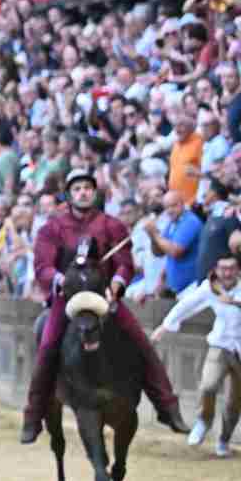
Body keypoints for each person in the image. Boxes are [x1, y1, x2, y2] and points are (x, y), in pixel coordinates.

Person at [20, 169, 189, 443]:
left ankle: (167, 407)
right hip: (67, 301)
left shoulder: (112, 225)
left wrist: (119, 282)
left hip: (104, 298)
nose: (83, 192)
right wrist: (63, 280)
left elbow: (125, 263)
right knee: (48, 346)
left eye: (87, 187)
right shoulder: (51, 228)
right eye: (77, 189)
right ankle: (33, 415)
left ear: (95, 192)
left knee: (140, 341)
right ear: (69, 194)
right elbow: (42, 267)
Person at [152, 252, 241, 458]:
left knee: (233, 402)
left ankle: (224, 441)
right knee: (208, 385)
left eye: (231, 269)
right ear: (217, 271)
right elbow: (187, 305)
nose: (227, 273)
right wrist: (165, 326)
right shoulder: (209, 288)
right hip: (220, 345)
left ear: (238, 271)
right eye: (223, 268)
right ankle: (203, 421)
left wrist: (232, 301)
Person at [143, 190, 202, 296]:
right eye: (167, 207)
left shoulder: (190, 221)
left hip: (192, 286)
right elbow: (159, 253)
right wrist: (152, 237)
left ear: (182, 204)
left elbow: (175, 251)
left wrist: (155, 234)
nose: (170, 210)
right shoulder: (171, 224)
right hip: (177, 289)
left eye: (173, 206)